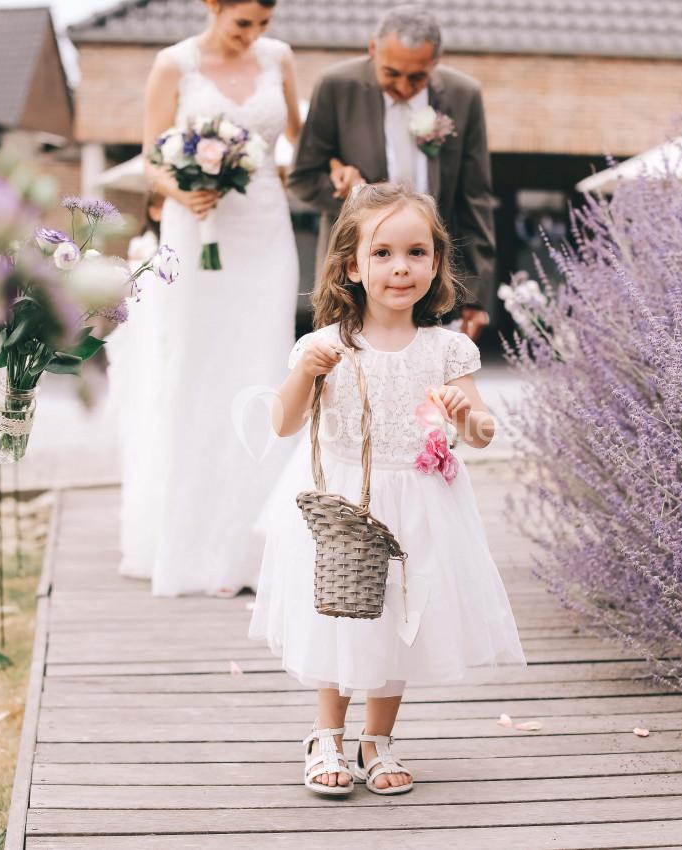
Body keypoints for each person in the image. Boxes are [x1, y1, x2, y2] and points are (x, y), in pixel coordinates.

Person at [249, 183, 525, 796]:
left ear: (436, 262)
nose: (401, 267)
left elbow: (481, 432)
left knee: (402, 615)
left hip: (418, 504)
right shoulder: (326, 344)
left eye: (416, 252)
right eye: (382, 253)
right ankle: (326, 734)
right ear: (352, 266)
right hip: (346, 503)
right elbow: (285, 424)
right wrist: (304, 373)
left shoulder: (448, 349)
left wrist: (464, 415)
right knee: (339, 612)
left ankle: (377, 738)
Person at [106, 0, 303, 597]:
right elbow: (152, 157)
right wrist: (183, 190)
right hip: (196, 230)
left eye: (264, 23)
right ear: (213, 6)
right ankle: (194, 547)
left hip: (265, 227)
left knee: (266, 365)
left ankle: (259, 549)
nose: (254, 35)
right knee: (200, 369)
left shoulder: (280, 59)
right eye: (243, 22)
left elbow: (299, 140)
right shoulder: (174, 65)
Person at [288, 5, 497, 341]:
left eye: (417, 77)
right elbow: (302, 177)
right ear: (373, 49)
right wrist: (357, 197)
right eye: (391, 73)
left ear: (436, 61)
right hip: (357, 273)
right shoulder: (336, 86)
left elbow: (475, 200)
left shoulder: (464, 95)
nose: (403, 86)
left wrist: (474, 295)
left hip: (431, 275)